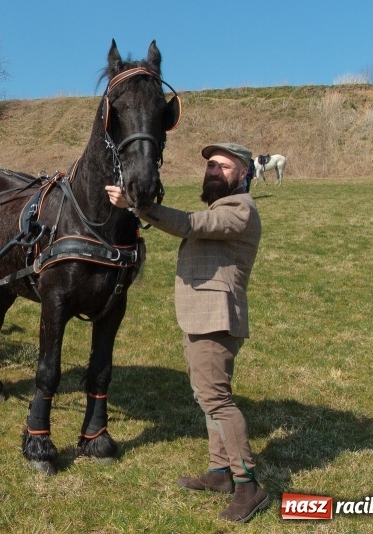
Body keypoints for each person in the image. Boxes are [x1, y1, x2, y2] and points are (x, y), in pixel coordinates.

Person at [105, 142, 268, 523]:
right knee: (205, 395)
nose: (213, 171)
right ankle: (218, 472)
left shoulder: (240, 209)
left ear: (243, 174)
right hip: (200, 317)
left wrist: (136, 206)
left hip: (217, 319)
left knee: (217, 400)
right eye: (210, 166)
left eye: (223, 167)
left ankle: (249, 486)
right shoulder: (221, 205)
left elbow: (192, 224)